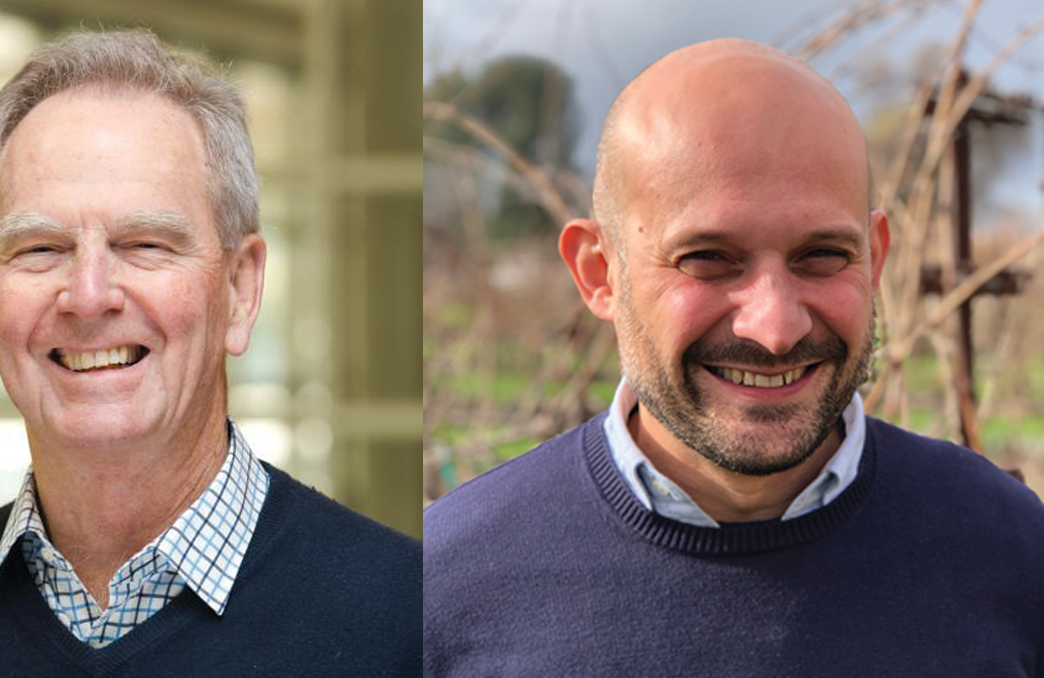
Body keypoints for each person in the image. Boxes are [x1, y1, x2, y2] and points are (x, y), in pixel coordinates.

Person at [0, 29, 419, 677]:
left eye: (144, 243)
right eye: (40, 248)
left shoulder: (408, 623)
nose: (88, 295)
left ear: (238, 289)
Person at [423, 38, 1044, 676]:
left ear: (875, 260)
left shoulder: (1010, 551)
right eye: (708, 259)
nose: (774, 328)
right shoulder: (442, 586)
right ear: (599, 273)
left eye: (822, 255)